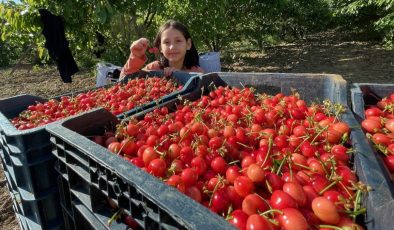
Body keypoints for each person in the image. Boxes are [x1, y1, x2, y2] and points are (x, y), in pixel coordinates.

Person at [119, 20, 204, 80]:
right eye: (166, 42)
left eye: (178, 41)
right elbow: (123, 82)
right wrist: (136, 56)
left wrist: (181, 76)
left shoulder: (197, 72)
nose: (172, 47)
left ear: (188, 44)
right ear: (160, 48)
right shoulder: (153, 69)